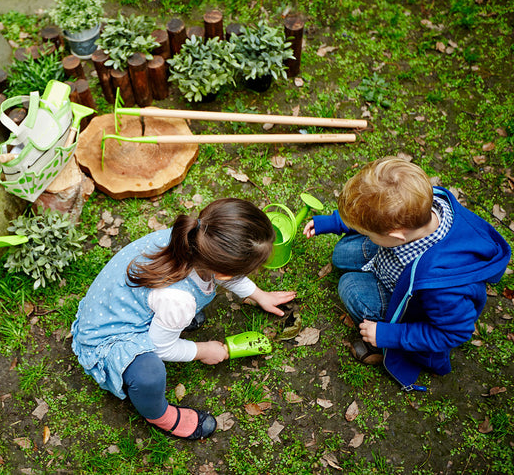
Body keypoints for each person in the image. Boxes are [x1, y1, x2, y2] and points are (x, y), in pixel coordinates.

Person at [71, 198, 296, 439]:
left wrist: (259, 295)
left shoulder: (193, 239)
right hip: (106, 338)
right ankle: (159, 415)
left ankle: (166, 322)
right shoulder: (179, 300)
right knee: (148, 374)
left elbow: (225, 274)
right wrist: (204, 350)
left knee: (174, 315)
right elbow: (161, 348)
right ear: (223, 271)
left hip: (116, 306)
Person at [304, 157, 510, 391]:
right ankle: (372, 257)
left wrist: (388, 335)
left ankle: (379, 344)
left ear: (396, 236)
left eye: (368, 233)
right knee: (341, 253)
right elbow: (374, 214)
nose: (365, 234)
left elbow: (453, 333)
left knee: (349, 285)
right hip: (395, 260)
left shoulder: (442, 288)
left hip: (409, 303)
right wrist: (334, 222)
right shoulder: (424, 204)